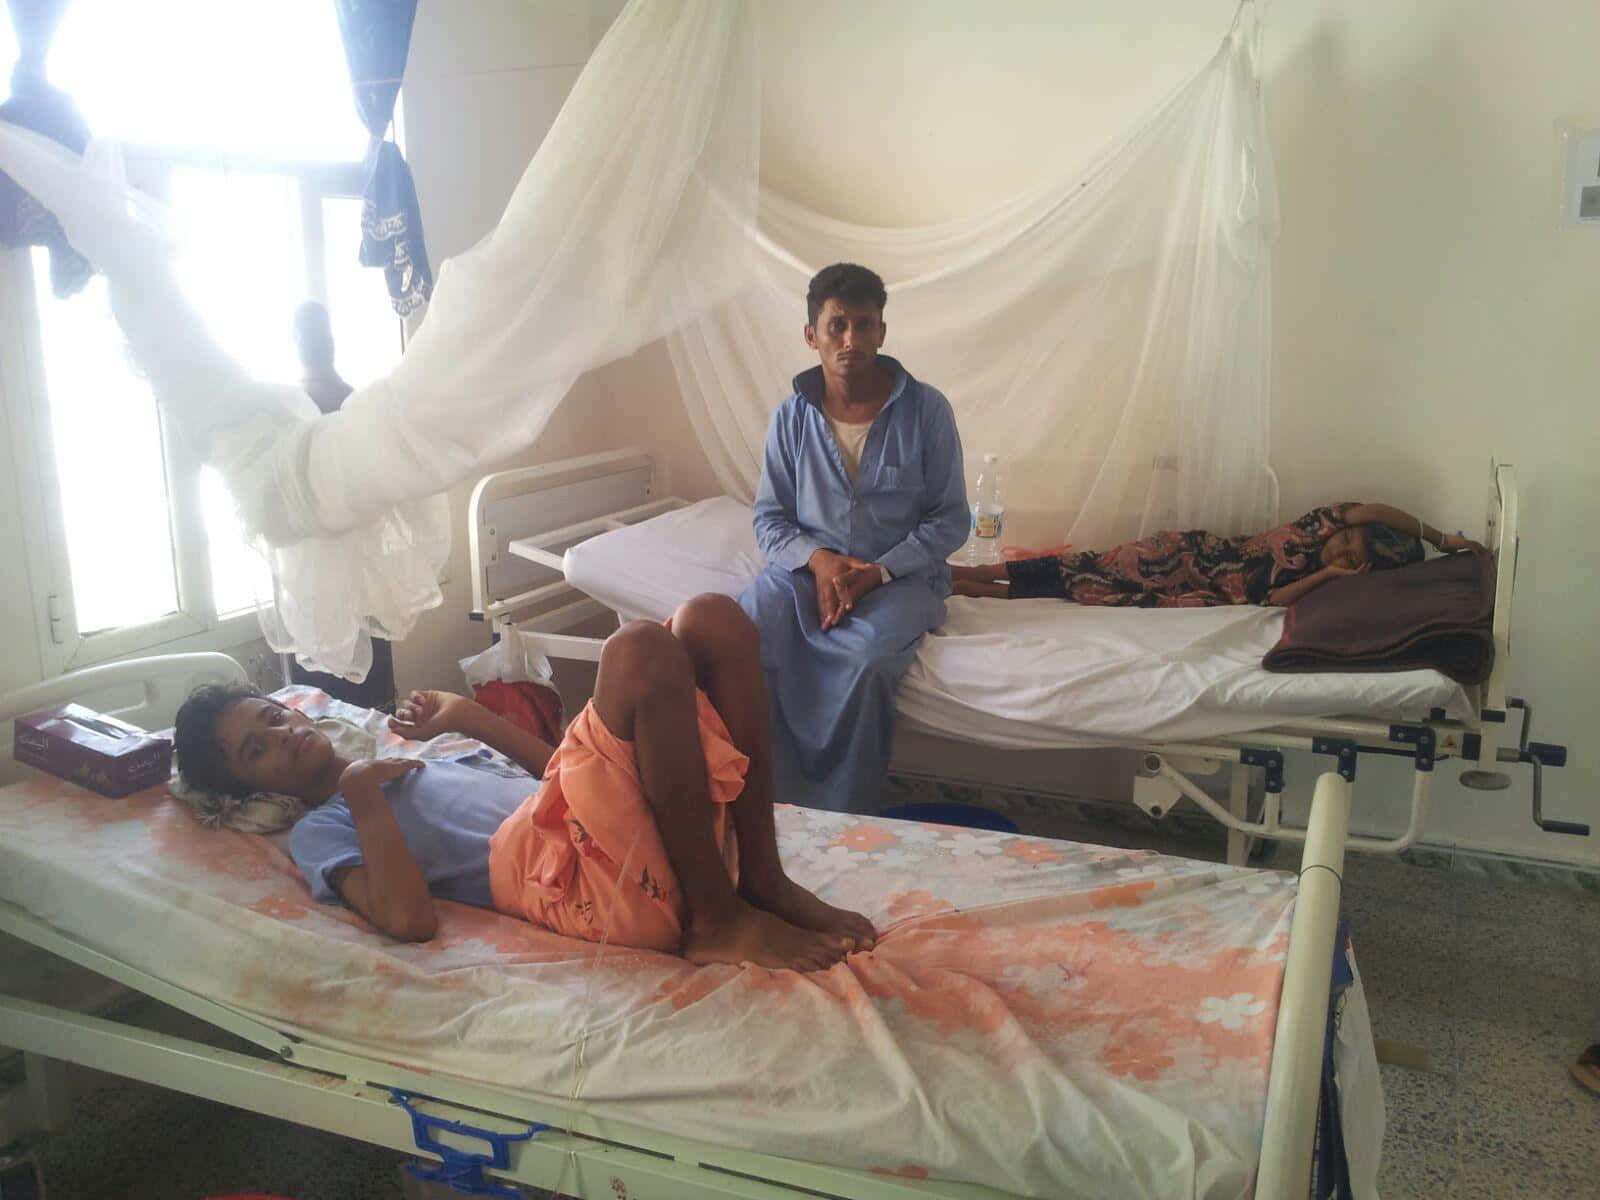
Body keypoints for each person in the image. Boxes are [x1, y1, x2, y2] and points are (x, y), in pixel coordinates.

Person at [172, 594, 875, 971]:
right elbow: (409, 920)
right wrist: (359, 792)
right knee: (637, 651)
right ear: (247, 792)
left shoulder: (413, 755)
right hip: (579, 884)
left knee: (712, 620)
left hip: (609, 838)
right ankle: (717, 921)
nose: (284, 734)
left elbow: (558, 783)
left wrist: (470, 718)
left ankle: (760, 877)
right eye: (256, 751)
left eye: (273, 716)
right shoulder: (320, 827)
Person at [739, 263, 968, 813]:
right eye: (837, 325)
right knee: (744, 631)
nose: (851, 340)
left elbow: (950, 519)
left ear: (882, 333)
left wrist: (879, 571)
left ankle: (842, 815)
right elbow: (770, 518)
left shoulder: (927, 411)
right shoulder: (791, 418)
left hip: (901, 579)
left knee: (865, 658)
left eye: (864, 325)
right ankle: (757, 805)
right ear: (811, 335)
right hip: (806, 574)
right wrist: (818, 562)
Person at [951, 502, 1485, 607]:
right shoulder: (1318, 523)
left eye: (1349, 552)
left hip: (1193, 592)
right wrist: (1441, 539)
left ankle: (970, 588)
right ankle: (975, 571)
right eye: (1346, 538)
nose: (1338, 545)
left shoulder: (1319, 576)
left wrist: (1331, 576)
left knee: (1083, 589)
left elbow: (1274, 599)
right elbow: (1373, 512)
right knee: (1079, 564)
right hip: (1185, 555)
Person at [287, 300, 396, 711]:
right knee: (323, 696)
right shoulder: (300, 407)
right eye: (311, 335)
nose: (318, 343)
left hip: (356, 569)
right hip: (315, 574)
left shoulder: (352, 403)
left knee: (365, 693)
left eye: (321, 335)